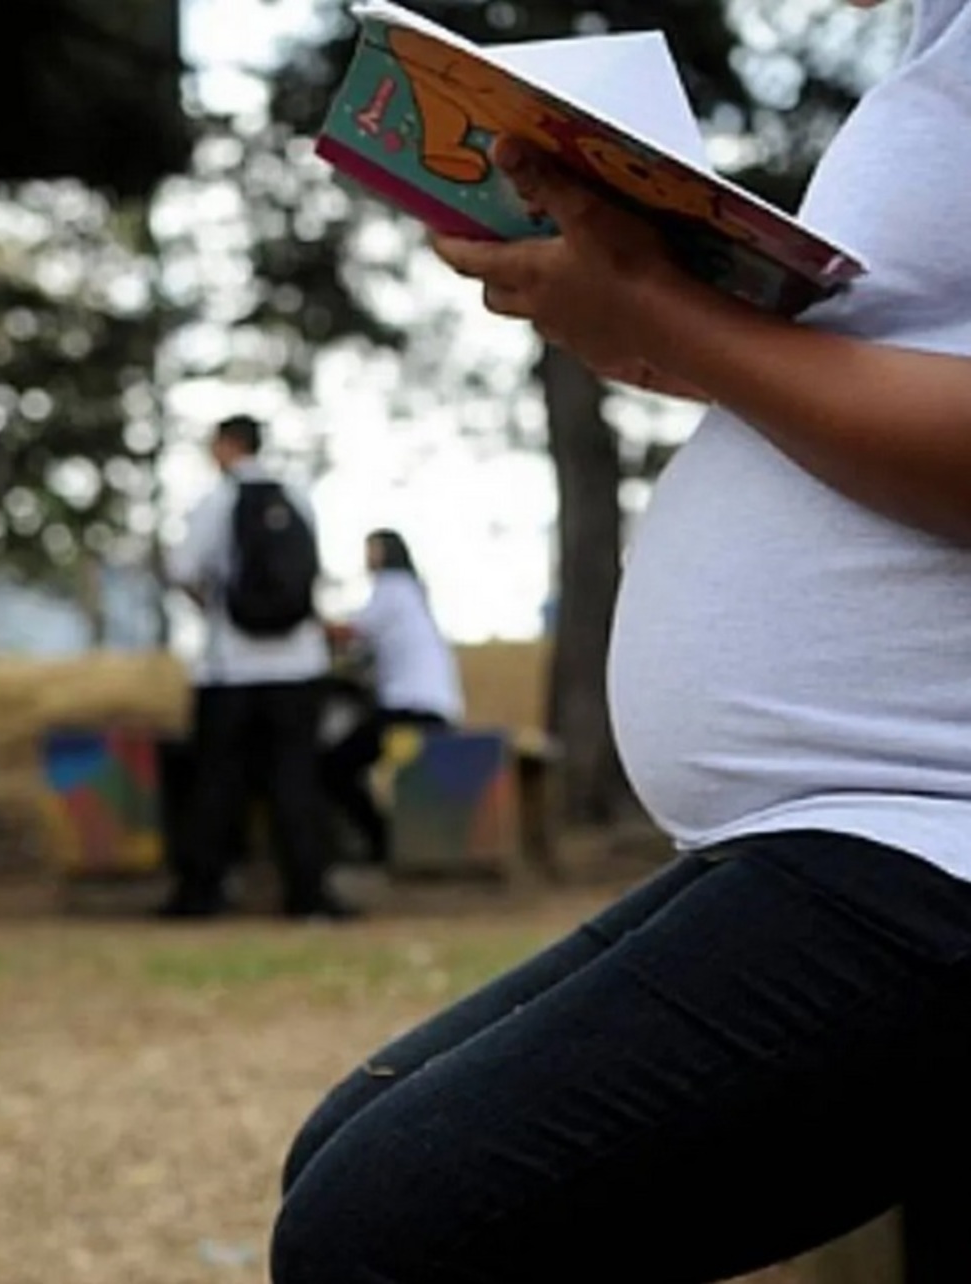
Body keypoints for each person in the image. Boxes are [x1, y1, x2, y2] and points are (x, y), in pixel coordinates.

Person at [271, 1, 971, 1280]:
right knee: (343, 1152)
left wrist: (670, 314)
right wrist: (658, 314)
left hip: (935, 833)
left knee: (381, 1230)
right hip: (857, 824)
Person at [162, 414, 355, 921]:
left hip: (231, 671)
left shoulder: (217, 502)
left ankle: (203, 891)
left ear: (227, 446)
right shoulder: (297, 498)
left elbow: (183, 570)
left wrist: (214, 612)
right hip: (299, 666)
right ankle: (308, 892)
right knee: (296, 780)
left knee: (218, 782)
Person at [321, 529, 463, 864]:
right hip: (434, 706)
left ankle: (381, 845)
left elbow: (350, 633)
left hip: (410, 707)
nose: (367, 559)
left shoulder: (392, 589)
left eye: (371, 551)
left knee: (334, 767)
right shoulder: (413, 593)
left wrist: (303, 627)